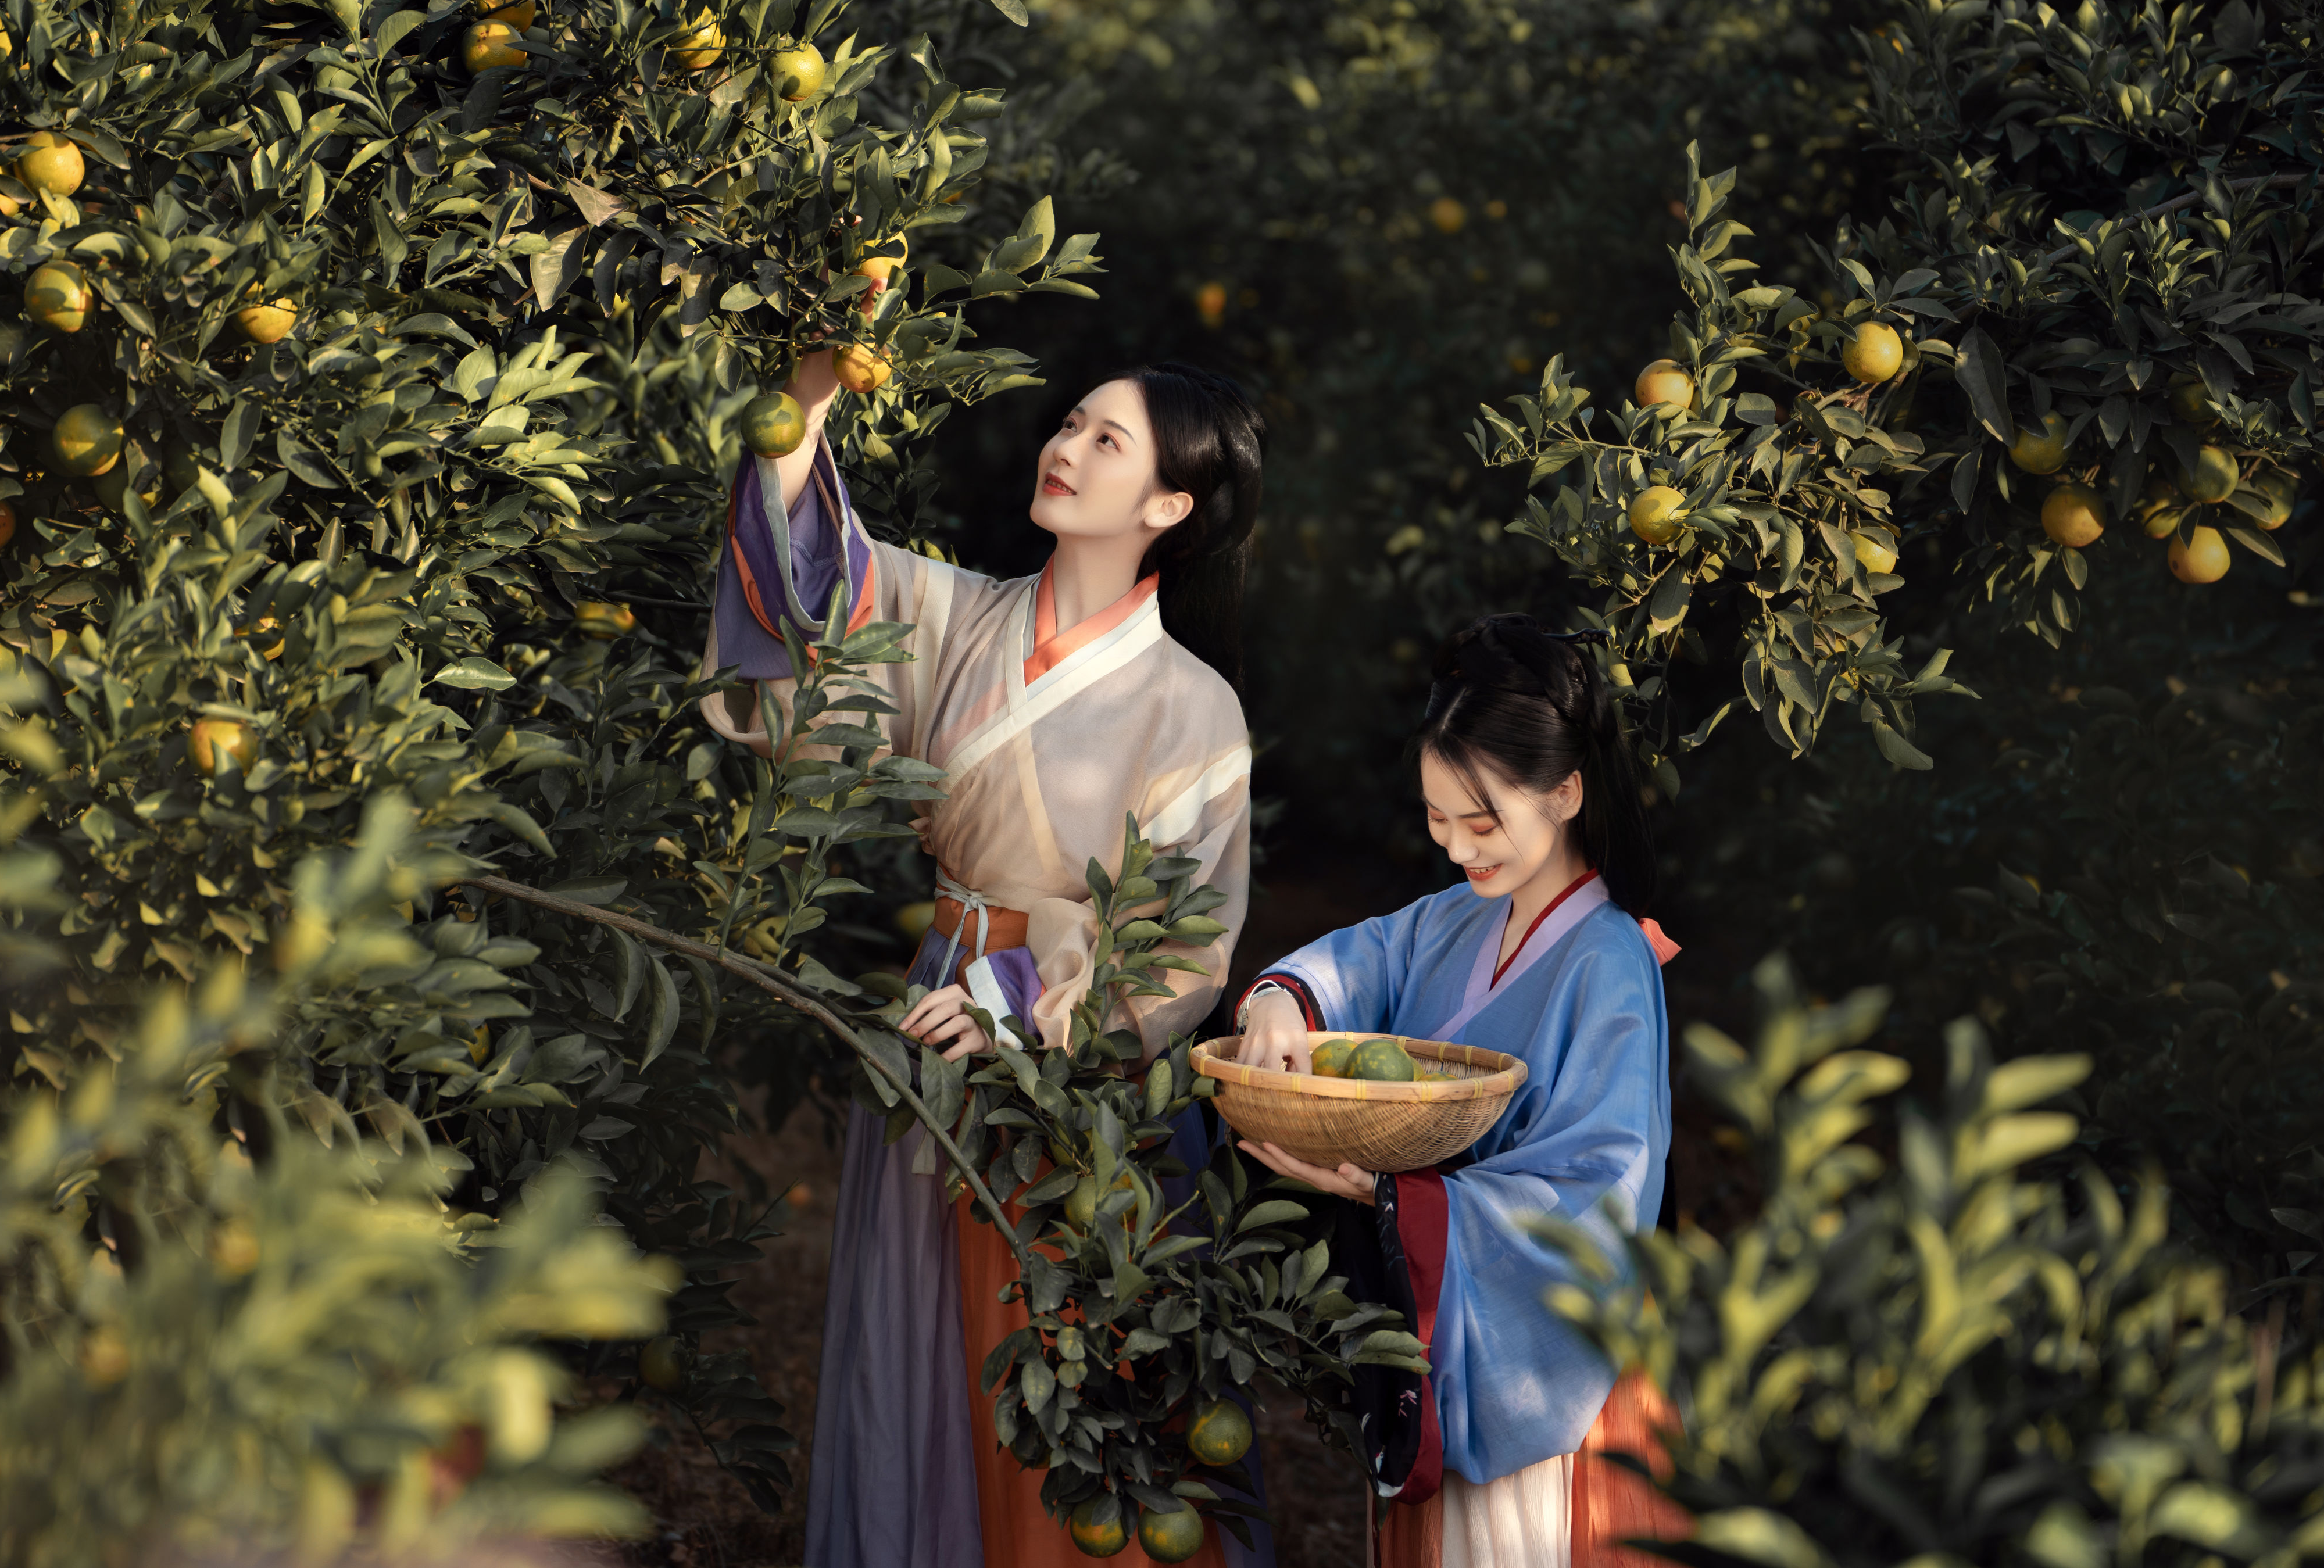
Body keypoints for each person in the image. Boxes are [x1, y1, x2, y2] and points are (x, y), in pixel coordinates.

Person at [699, 348, 1271, 1568]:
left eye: (1107, 441)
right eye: (1069, 423)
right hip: (933, 1014)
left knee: (1070, 1350)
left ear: (1169, 506)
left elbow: (1181, 943)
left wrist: (1016, 1010)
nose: (1065, 447)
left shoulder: (1194, 708)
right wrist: (802, 403)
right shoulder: (957, 616)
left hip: (1070, 1061)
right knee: (919, 1342)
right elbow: (820, 586)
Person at [1232, 613, 1686, 1568]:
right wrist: (1278, 999)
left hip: (1540, 1345)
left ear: (1564, 792)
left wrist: (1395, 1197)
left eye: (1481, 823)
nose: (1457, 849)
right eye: (1438, 821)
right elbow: (1352, 963)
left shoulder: (1607, 960)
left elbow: (1602, 1188)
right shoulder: (1452, 918)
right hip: (1441, 1309)